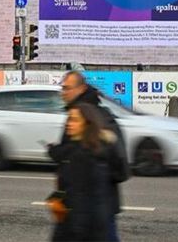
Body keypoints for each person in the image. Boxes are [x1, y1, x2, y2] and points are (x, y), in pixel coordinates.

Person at [59, 71, 129, 241]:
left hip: (97, 210)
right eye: (62, 88)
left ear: (81, 88)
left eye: (67, 88)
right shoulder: (76, 114)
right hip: (77, 206)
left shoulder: (96, 117)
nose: (63, 93)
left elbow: (119, 165)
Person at [47, 103, 115, 241]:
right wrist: (55, 198)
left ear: (87, 124)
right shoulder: (84, 149)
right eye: (69, 119)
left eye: (75, 120)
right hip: (83, 224)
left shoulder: (83, 155)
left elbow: (82, 197)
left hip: (80, 228)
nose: (69, 124)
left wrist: (76, 231)